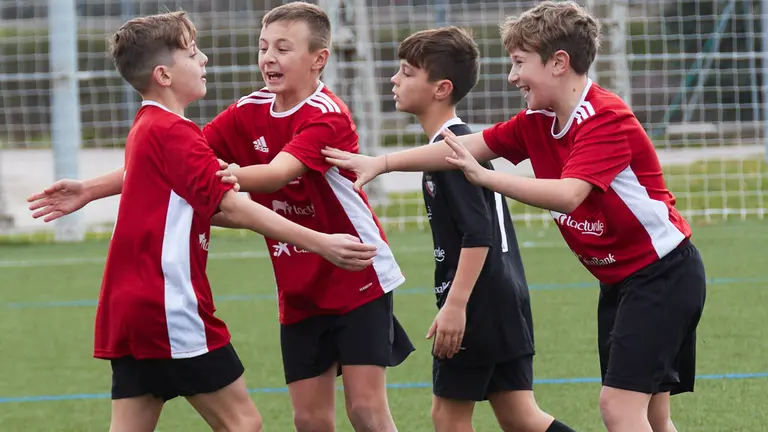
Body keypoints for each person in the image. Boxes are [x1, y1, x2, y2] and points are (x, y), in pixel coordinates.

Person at [27, 3, 413, 431]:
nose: (268, 57)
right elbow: (197, 177)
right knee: (299, 419)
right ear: (164, 75)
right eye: (264, 46)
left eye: (283, 48)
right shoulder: (223, 117)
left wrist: (219, 179)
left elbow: (275, 174)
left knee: (363, 409)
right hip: (270, 285)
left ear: (319, 59)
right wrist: (91, 189)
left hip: (355, 272)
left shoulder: (326, 115)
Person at [322, 2, 707, 431]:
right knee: (652, 413)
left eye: (520, 62)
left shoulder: (604, 118)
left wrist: (486, 179)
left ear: (559, 62)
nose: (512, 76)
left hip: (662, 276)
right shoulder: (538, 121)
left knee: (619, 408)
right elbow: (465, 147)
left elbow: (568, 195)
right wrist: (384, 162)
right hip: (622, 282)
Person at [389, 26, 577, 432]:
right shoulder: (459, 145)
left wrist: (455, 306)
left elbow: (479, 234)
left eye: (406, 72)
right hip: (504, 299)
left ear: (441, 88)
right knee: (519, 416)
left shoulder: (453, 152)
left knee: (447, 416)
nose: (395, 80)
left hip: (477, 303)